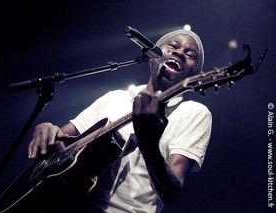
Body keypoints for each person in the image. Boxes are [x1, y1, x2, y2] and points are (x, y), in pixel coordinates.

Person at [28, 29, 212, 213]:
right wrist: (48, 130)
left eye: (190, 55)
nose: (179, 52)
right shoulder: (114, 97)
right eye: (172, 46)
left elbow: (171, 192)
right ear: (153, 54)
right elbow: (62, 150)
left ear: (193, 73)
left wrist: (149, 145)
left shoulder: (193, 113)